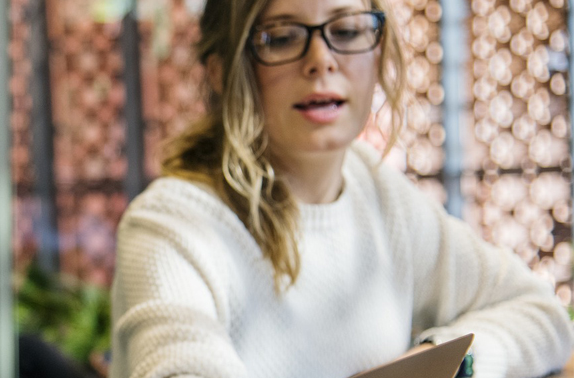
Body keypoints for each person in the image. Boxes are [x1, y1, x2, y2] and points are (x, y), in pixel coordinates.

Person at [110, 0, 574, 377]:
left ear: (378, 52)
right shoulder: (170, 225)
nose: (321, 60)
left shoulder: (375, 190)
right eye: (282, 36)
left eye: (348, 31)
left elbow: (540, 313)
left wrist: (452, 364)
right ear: (223, 70)